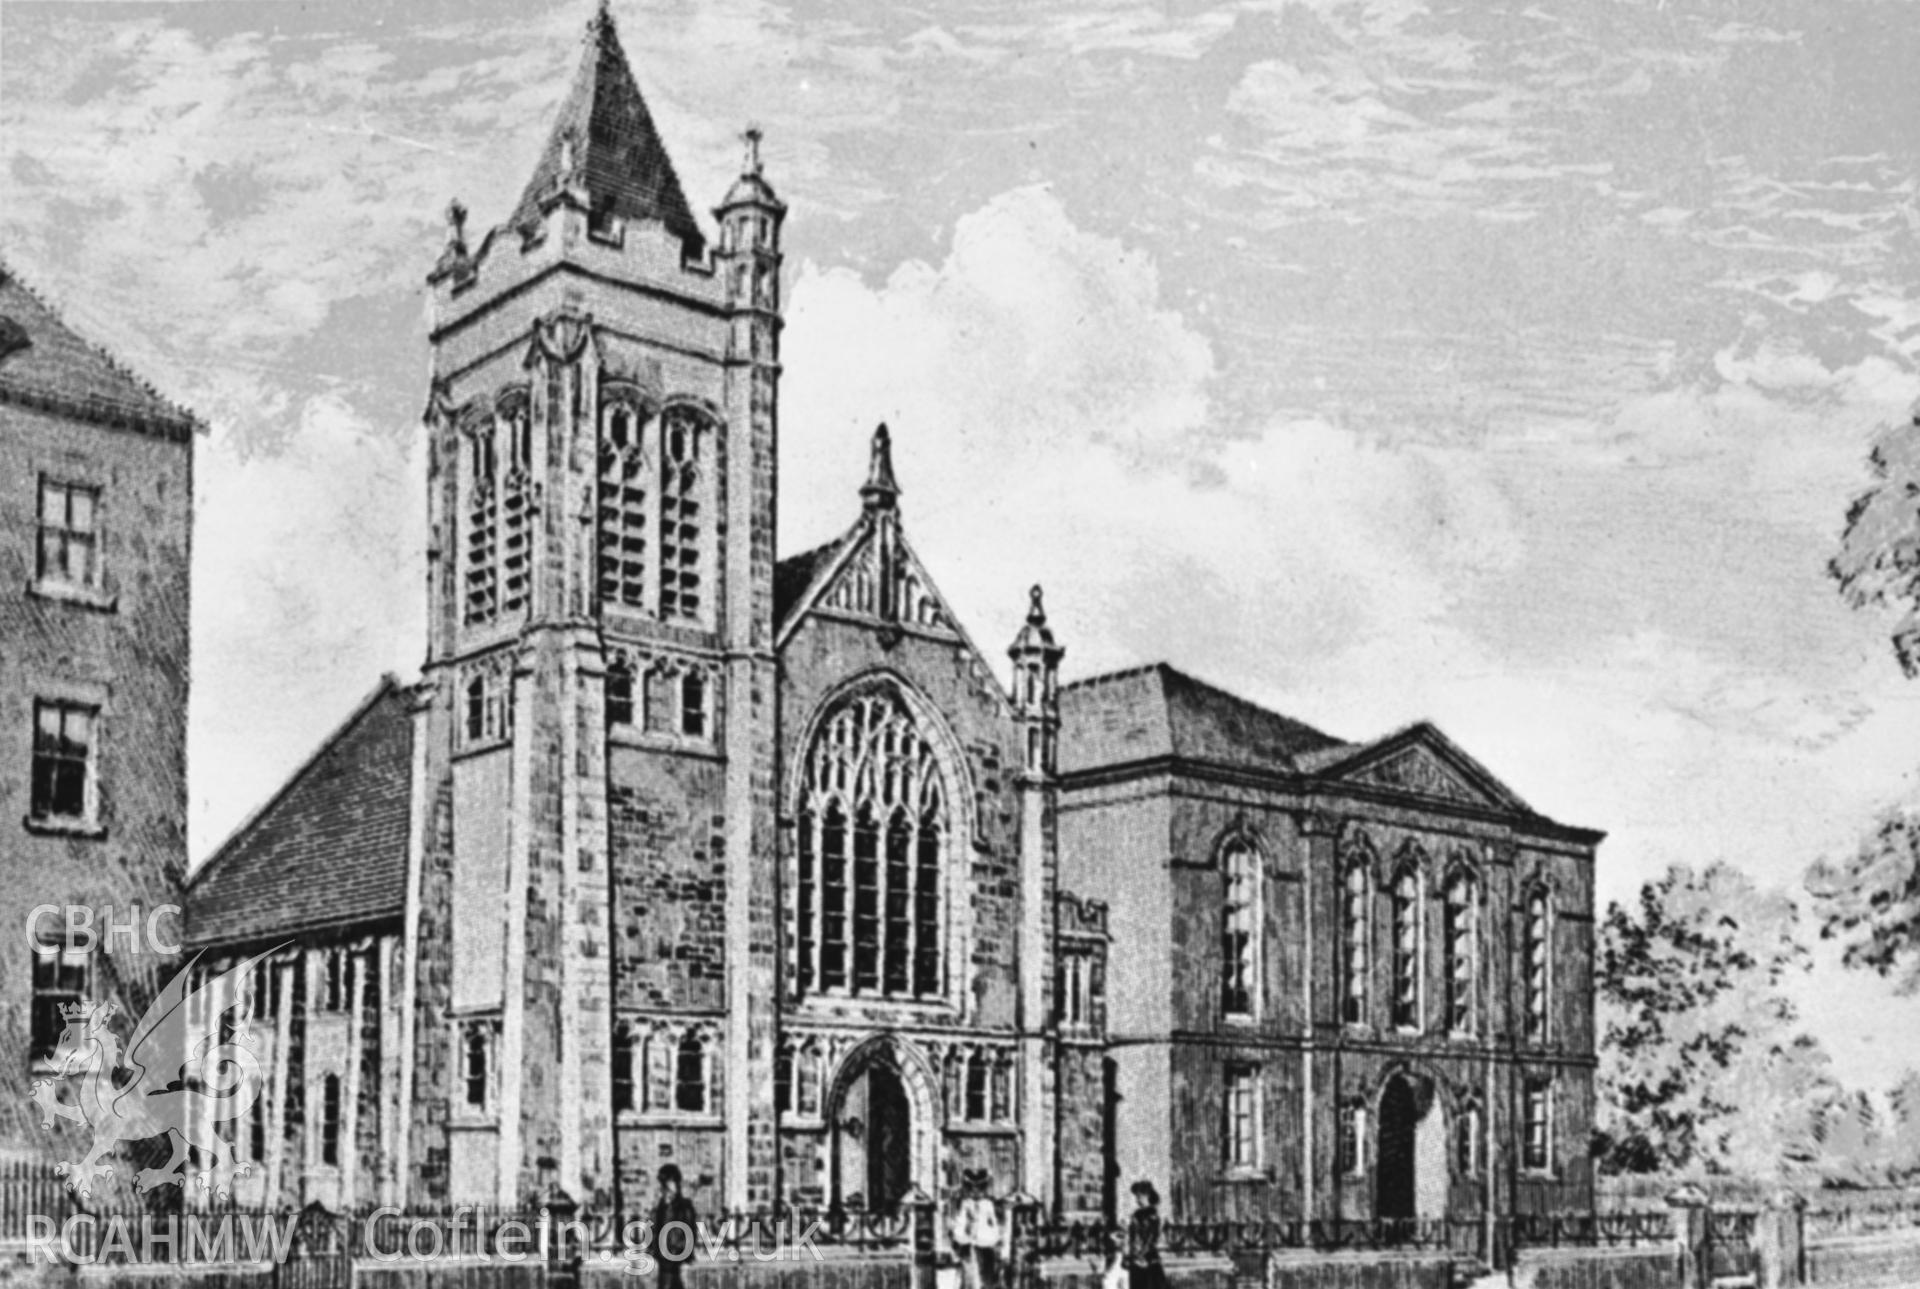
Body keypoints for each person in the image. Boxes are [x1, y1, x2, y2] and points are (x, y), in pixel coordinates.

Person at [950, 1167, 1005, 1289]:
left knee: (987, 1280)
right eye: (971, 1188)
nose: (975, 1192)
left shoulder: (989, 1205)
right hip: (968, 1249)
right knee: (969, 1280)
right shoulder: (965, 1204)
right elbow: (959, 1226)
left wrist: (990, 1239)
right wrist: (964, 1235)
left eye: (979, 1188)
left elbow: (995, 1227)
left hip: (986, 1248)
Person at [649, 1164, 699, 1289]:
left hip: (676, 1255)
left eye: (670, 1182)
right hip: (663, 1256)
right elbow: (654, 1227)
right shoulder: (660, 1206)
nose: (666, 1188)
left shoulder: (685, 1207)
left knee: (669, 1282)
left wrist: (683, 1249)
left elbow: (691, 1231)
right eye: (664, 1183)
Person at [1125, 1180, 1166, 1289]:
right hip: (1135, 1259)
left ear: (1147, 1195)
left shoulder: (1152, 1214)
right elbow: (1132, 1236)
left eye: (1139, 1196)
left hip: (1148, 1259)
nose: (1137, 1200)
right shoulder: (1136, 1214)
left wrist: (1141, 1254)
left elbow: (1152, 1237)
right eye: (1136, 1196)